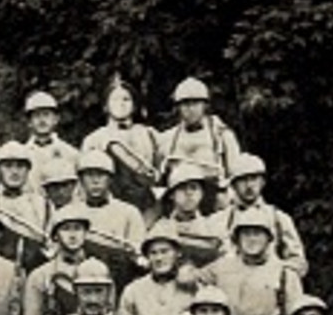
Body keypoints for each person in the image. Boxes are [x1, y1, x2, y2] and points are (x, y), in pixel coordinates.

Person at [204, 209, 302, 315]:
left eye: (257, 234)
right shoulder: (220, 269)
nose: (251, 239)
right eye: (246, 234)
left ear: (268, 239)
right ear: (237, 239)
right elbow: (192, 280)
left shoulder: (284, 273)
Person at [81, 77, 163, 221]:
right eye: (115, 100)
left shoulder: (150, 134)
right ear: (105, 106)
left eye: (126, 99)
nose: (121, 104)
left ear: (135, 105)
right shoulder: (95, 139)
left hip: (147, 207)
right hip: (109, 209)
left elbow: (161, 169)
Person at [21, 203, 93, 315]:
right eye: (66, 229)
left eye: (78, 228)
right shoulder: (41, 276)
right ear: (55, 235)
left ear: (86, 233)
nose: (73, 235)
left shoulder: (98, 271)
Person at [117, 223, 197, 315]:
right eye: (153, 253)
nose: (159, 258)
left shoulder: (193, 289)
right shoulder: (133, 290)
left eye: (164, 251)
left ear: (177, 253)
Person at [156, 77, 241, 212]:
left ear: (205, 105)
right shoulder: (167, 138)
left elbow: (236, 173)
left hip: (213, 200)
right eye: (185, 104)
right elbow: (159, 175)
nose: (190, 109)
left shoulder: (221, 135)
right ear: (178, 107)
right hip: (178, 201)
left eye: (195, 103)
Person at [215, 154, 308, 276]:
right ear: (233, 185)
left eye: (253, 178)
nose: (249, 185)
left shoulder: (278, 219)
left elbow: (299, 263)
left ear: (262, 182)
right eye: (243, 180)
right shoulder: (220, 220)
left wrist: (274, 268)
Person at [76, 149, 146, 286]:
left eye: (101, 175)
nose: (95, 181)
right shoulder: (70, 212)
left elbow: (138, 254)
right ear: (81, 179)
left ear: (110, 179)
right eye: (89, 175)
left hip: (119, 276)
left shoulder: (129, 212)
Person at [151, 163, 228, 269]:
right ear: (171, 195)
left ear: (202, 193)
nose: (189, 193)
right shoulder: (161, 228)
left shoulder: (213, 227)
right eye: (182, 188)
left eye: (194, 188)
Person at [0, 140, 51, 268]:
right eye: (8, 166)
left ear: (28, 170)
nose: (14, 172)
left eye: (20, 166)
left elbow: (51, 247)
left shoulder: (43, 205)